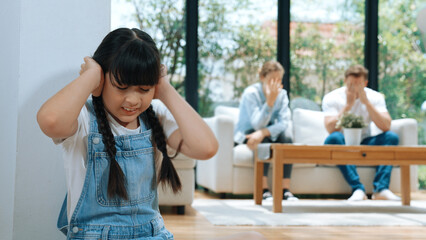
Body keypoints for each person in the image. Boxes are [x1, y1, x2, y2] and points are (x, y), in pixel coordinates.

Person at [37, 28, 221, 239]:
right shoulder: (83, 119)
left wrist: (166, 90)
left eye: (144, 89)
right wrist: (91, 75)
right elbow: (50, 121)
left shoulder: (156, 117)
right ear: (101, 82)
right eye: (121, 87)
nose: (133, 100)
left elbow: (206, 147)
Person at [322, 64, 400, 201]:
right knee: (334, 138)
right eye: (351, 84)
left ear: (365, 83)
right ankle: (358, 189)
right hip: (344, 143)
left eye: (358, 84)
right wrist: (348, 105)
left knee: (391, 137)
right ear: (345, 81)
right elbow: (330, 128)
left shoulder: (374, 97)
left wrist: (367, 103)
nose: (355, 88)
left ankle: (381, 189)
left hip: (366, 142)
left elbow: (386, 126)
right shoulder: (332, 97)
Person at [234, 60, 298, 201]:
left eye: (279, 80)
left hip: (267, 132)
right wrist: (269, 102)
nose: (276, 84)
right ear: (262, 78)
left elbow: (284, 123)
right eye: (272, 80)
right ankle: (263, 189)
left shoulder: (282, 95)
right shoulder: (251, 93)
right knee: (265, 140)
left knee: (287, 138)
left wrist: (263, 132)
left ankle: (284, 190)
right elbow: (257, 124)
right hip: (248, 132)